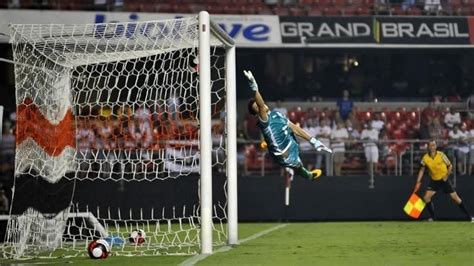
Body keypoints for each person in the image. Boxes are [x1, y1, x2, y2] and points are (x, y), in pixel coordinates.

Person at [244, 70, 332, 180]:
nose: (259, 105)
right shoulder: (263, 120)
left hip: (292, 148)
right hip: (283, 154)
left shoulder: (277, 114)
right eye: (256, 107)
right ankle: (290, 170)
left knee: (297, 159)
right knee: (295, 164)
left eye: (258, 104)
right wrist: (254, 86)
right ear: (257, 113)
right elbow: (261, 105)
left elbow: (294, 127)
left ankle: (307, 175)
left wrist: (313, 141)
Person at [414, 140, 472, 221]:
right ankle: (433, 218)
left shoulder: (441, 155)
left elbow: (450, 165)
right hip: (434, 181)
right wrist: (418, 182)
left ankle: (469, 217)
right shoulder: (425, 158)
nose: (432, 147)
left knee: (456, 198)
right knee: (426, 198)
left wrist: (447, 175)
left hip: (444, 180)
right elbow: (422, 170)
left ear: (436, 146)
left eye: (433, 145)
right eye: (430, 145)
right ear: (428, 147)